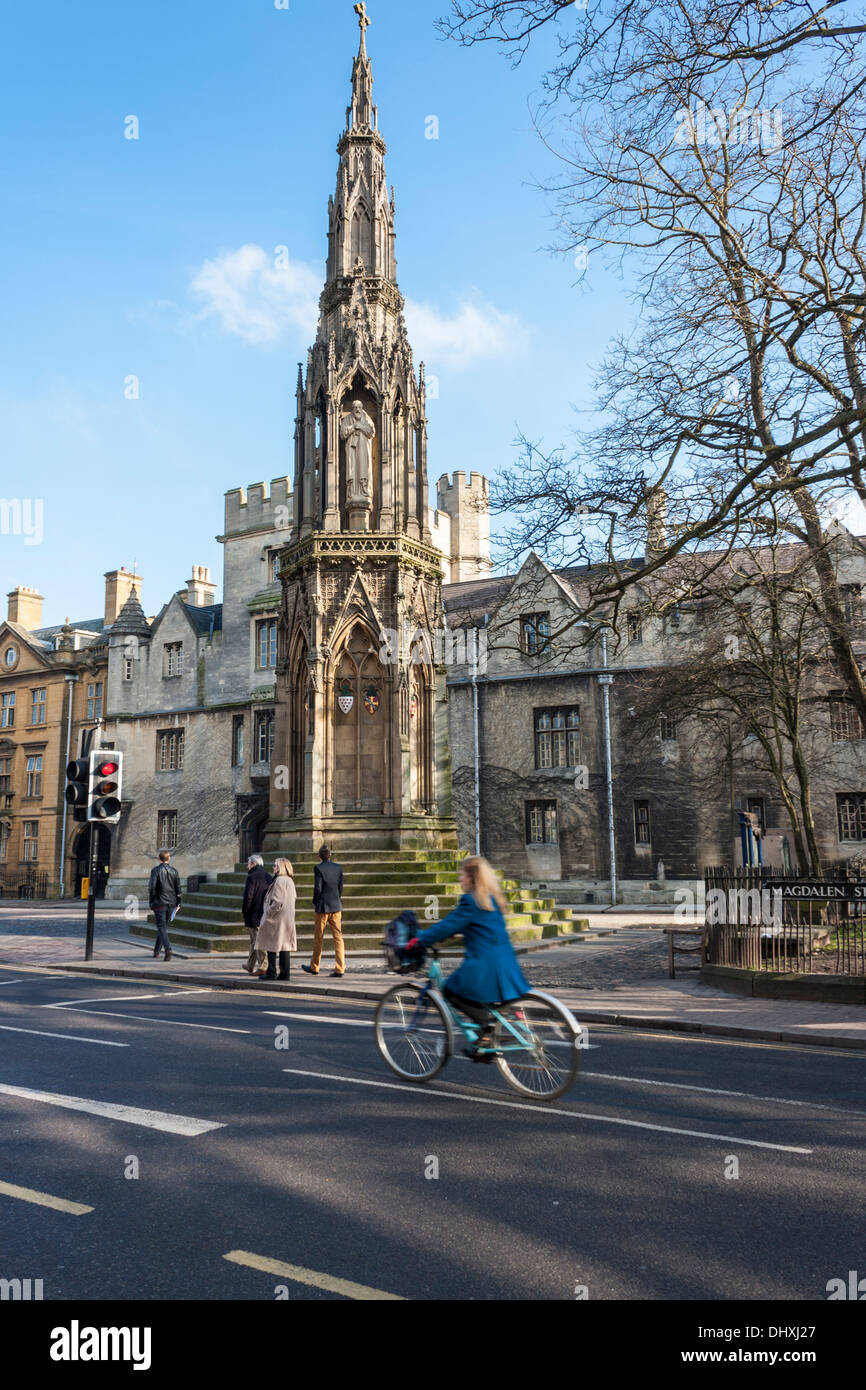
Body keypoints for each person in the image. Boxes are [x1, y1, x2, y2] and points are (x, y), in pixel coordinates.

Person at [410, 856, 529, 1060]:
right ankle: (488, 1034)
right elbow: (482, 927)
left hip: (486, 965)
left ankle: (486, 1031)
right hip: (507, 963)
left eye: (462, 875)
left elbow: (444, 926)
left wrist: (418, 940)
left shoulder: (470, 901)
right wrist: (462, 932)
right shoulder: (492, 898)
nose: (460, 879)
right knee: (487, 1002)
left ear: (472, 878)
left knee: (450, 991)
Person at [303, 844, 345, 978]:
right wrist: (337, 899)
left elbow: (318, 888)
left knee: (318, 938)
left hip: (323, 908)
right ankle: (340, 968)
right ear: (330, 855)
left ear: (319, 856)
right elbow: (341, 887)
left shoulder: (318, 868)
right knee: (338, 938)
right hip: (336, 906)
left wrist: (315, 902)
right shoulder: (338, 867)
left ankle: (315, 967)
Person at [258, 858, 297, 981]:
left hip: (276, 918)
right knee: (284, 946)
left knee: (271, 944)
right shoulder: (290, 881)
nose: (273, 867)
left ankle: (271, 972)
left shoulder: (280, 880)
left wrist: (268, 912)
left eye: (275, 865)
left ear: (281, 867)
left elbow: (278, 901)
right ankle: (285, 974)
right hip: (287, 917)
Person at [242, 854, 273, 977]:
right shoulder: (268, 876)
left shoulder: (251, 877)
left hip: (254, 914)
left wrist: (245, 911)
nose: (247, 866)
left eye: (248, 863)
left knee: (258, 942)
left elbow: (248, 897)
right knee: (254, 941)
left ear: (254, 864)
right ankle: (250, 965)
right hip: (265, 912)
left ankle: (263, 967)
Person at [148, 850, 182, 963]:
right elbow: (178, 888)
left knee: (161, 927)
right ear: (169, 858)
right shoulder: (174, 871)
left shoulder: (156, 870)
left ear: (159, 858)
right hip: (171, 902)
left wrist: (151, 901)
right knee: (163, 927)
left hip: (159, 902)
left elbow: (152, 888)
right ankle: (156, 951)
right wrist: (179, 902)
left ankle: (168, 949)